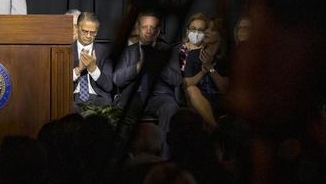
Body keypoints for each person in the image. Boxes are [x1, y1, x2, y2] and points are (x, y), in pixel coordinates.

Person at [113, 12, 182, 159]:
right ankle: (126, 158)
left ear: (157, 31)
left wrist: (160, 66)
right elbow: (117, 79)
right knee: (122, 108)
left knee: (171, 107)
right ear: (138, 29)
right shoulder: (128, 51)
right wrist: (137, 67)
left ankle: (163, 157)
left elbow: (176, 80)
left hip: (159, 97)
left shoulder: (167, 51)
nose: (149, 30)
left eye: (153, 27)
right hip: (134, 96)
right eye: (145, 27)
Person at [182, 16, 229, 130]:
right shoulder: (193, 54)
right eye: (206, 29)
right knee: (191, 90)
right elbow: (186, 83)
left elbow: (224, 89)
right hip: (198, 98)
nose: (207, 32)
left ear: (221, 35)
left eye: (212, 30)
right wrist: (203, 72)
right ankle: (215, 128)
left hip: (220, 100)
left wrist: (209, 68)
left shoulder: (226, 58)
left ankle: (212, 130)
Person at [72, 11, 113, 110]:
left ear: (97, 32)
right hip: (73, 97)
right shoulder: (66, 50)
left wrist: (93, 69)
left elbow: (108, 86)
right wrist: (78, 69)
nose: (88, 36)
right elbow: (58, 82)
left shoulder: (105, 52)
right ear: (77, 28)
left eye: (93, 32)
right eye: (85, 31)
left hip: (98, 98)